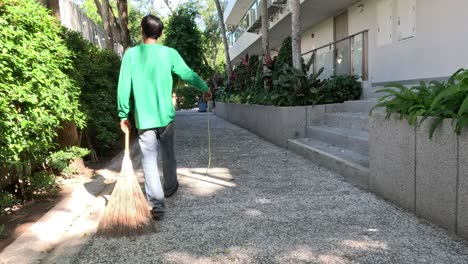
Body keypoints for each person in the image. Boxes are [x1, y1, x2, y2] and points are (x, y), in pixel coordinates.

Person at [117, 15, 209, 220]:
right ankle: (170, 186)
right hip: (166, 117)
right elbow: (187, 73)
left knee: (148, 160)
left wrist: (123, 114)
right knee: (168, 153)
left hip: (145, 119)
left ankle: (157, 205)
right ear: (160, 34)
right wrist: (205, 88)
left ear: (142, 31)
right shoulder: (169, 54)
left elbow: (124, 87)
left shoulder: (131, 55)